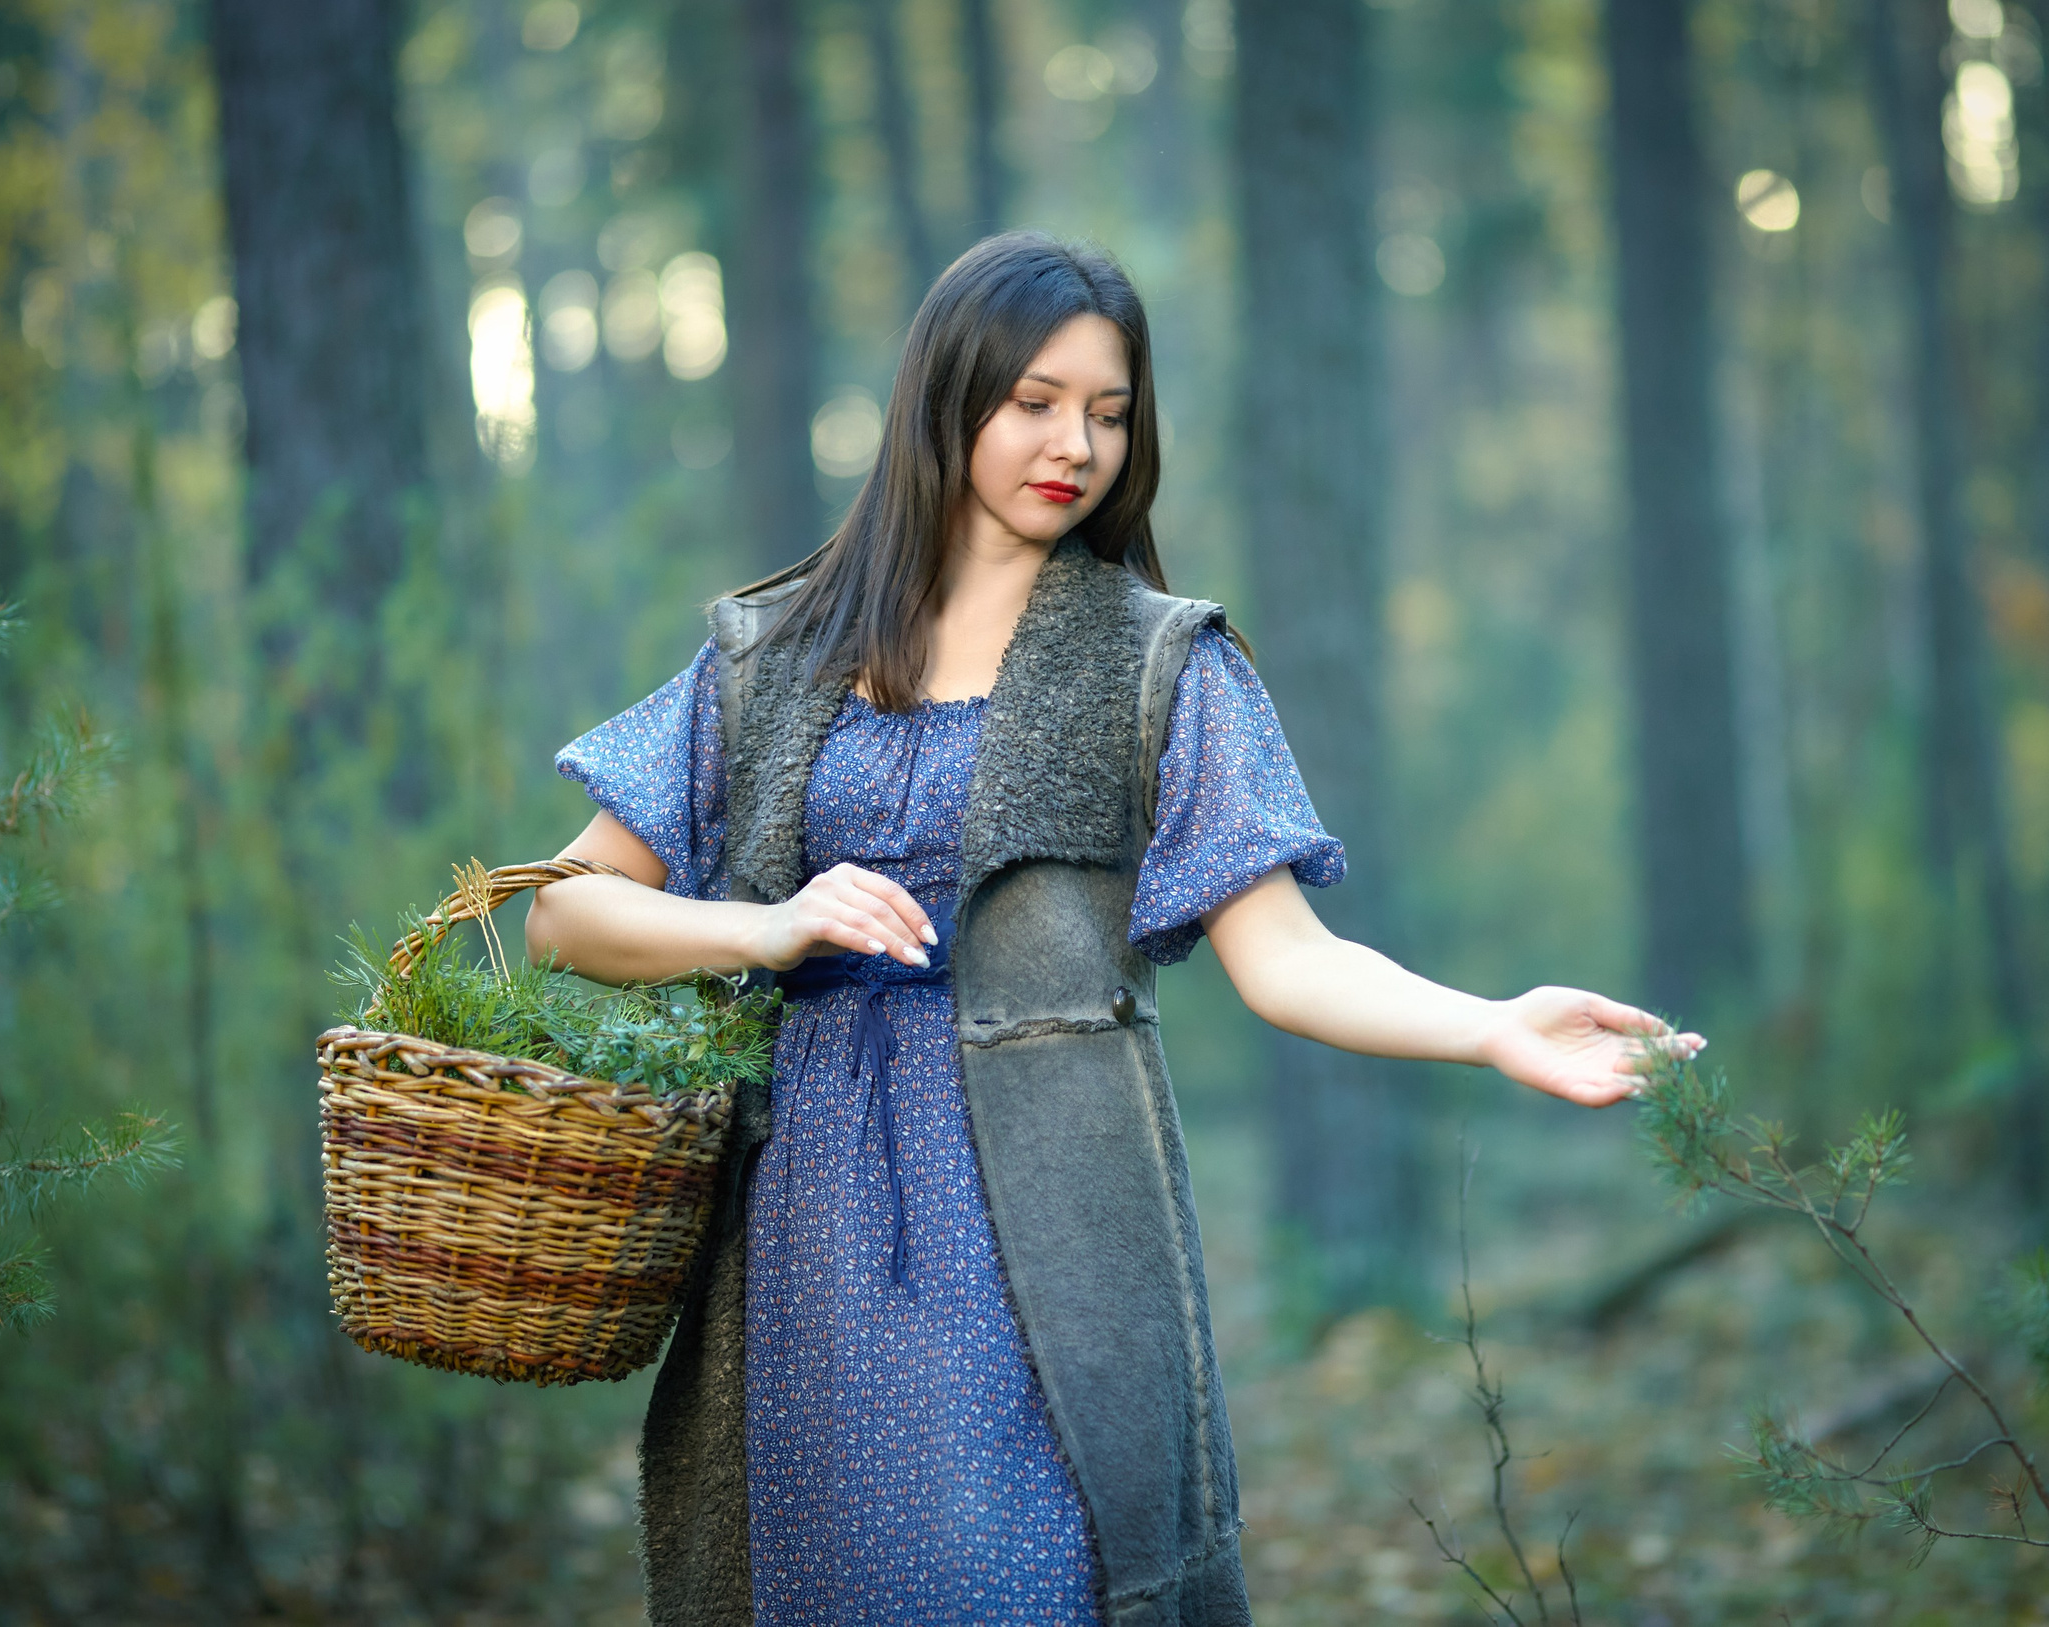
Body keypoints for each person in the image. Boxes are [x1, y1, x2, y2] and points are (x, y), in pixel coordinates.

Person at [524, 232, 1702, 1627]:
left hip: (1052, 1225)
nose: (1074, 442)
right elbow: (562, 913)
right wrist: (765, 926)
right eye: (1036, 399)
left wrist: (1493, 1025)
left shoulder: (1161, 662)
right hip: (798, 1238)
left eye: (1110, 409)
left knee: (1030, 1580)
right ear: (945, 398)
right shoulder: (769, 652)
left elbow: (1292, 962)